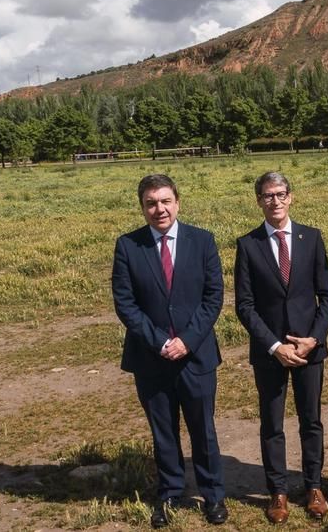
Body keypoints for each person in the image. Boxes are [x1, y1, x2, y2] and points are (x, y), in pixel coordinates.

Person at [110, 174, 228, 528]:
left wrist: (187, 340)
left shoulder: (202, 241)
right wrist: (159, 341)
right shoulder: (128, 246)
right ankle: (170, 493)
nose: (159, 209)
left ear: (177, 202)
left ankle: (213, 495)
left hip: (196, 356)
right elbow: (125, 303)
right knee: (163, 431)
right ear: (142, 207)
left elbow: (213, 297)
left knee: (203, 430)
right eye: (151, 203)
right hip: (151, 358)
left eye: (165, 201)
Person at [234, 172, 328, 524]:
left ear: (290, 197)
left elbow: (327, 296)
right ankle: (277, 491)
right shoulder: (248, 245)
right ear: (258, 201)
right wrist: (275, 346)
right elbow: (244, 305)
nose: (275, 201)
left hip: (309, 350)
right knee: (272, 423)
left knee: (311, 420)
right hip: (270, 352)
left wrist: (314, 339)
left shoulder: (312, 238)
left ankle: (314, 487)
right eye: (268, 195)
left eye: (280, 194)